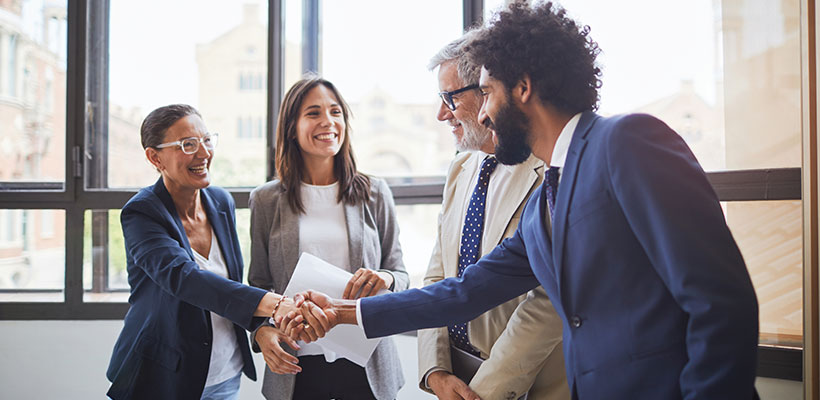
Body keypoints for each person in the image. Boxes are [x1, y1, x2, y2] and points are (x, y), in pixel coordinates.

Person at [292, 2, 760, 399]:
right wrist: (342, 313)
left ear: (523, 88)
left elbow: (721, 303)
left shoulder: (627, 141)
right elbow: (463, 291)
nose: (487, 112)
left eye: (489, 92)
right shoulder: (545, 205)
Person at [106, 104, 324, 400]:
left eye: (207, 140)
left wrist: (259, 327)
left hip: (224, 375)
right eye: (187, 144)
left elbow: (229, 284)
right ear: (155, 157)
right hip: (163, 377)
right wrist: (275, 305)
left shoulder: (220, 201)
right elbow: (185, 279)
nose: (203, 153)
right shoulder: (142, 213)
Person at [418, 31, 568, 400]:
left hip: (524, 386)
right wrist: (435, 370)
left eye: (450, 98)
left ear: (489, 90)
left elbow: (547, 300)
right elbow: (438, 275)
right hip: (455, 372)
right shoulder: (461, 167)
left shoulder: (547, 171)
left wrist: (485, 392)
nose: (442, 113)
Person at [247, 75, 408, 400]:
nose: (328, 122)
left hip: (367, 364)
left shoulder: (374, 193)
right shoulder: (266, 200)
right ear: (291, 127)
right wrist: (261, 331)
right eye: (313, 113)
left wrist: (385, 279)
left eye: (335, 112)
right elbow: (258, 285)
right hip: (296, 364)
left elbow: (401, 274)